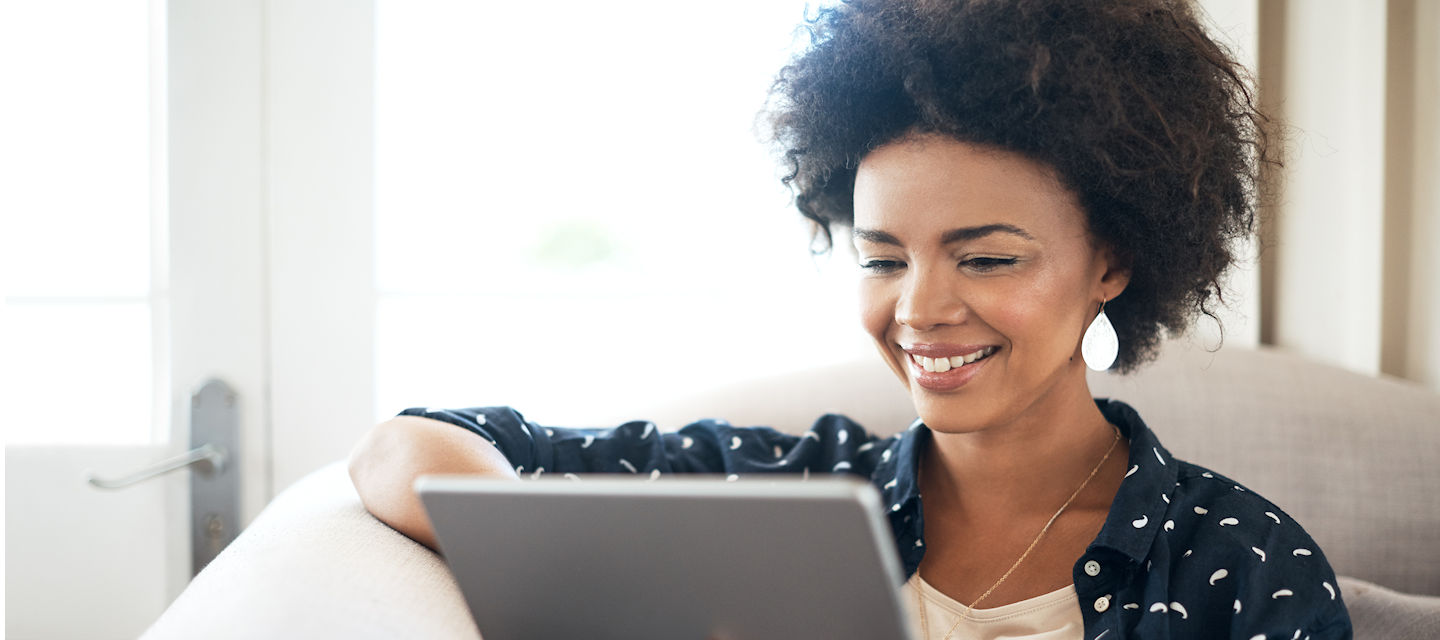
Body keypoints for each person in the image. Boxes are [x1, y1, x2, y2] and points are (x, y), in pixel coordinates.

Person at [348, 0, 1353, 638]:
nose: (918, 309)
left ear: (1114, 260)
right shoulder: (771, 499)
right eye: (881, 258)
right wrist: (572, 559)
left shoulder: (1239, 565)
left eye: (988, 256)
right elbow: (403, 449)